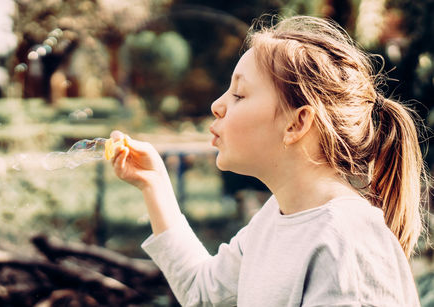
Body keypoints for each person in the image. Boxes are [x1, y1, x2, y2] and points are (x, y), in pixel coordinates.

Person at [109, 15, 429, 306]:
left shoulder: (346, 241)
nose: (217, 105)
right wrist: (154, 185)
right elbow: (201, 290)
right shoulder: (275, 219)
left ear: (297, 123)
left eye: (239, 94)